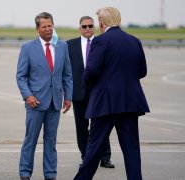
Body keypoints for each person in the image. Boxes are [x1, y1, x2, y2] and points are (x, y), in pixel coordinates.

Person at [73, 7, 150, 180]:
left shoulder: (101, 41)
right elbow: (142, 71)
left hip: (105, 103)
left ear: (101, 22)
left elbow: (91, 71)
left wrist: (90, 84)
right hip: (130, 102)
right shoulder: (134, 40)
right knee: (131, 149)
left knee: (93, 149)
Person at [16, 12, 73, 180]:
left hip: (55, 102)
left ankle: (50, 174)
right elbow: (20, 76)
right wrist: (28, 96)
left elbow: (67, 75)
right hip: (35, 102)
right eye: (44, 26)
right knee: (30, 140)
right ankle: (25, 173)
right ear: (37, 28)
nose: (48, 29)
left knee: (51, 141)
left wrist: (68, 97)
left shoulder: (62, 46)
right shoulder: (27, 48)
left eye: (50, 25)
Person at [67, 16, 114, 168]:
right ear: (79, 28)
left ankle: (105, 157)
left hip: (99, 92)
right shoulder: (70, 45)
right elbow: (66, 70)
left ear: (95, 27)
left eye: (90, 26)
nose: (87, 29)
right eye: (84, 26)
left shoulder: (103, 42)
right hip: (79, 92)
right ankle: (86, 156)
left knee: (101, 124)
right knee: (81, 127)